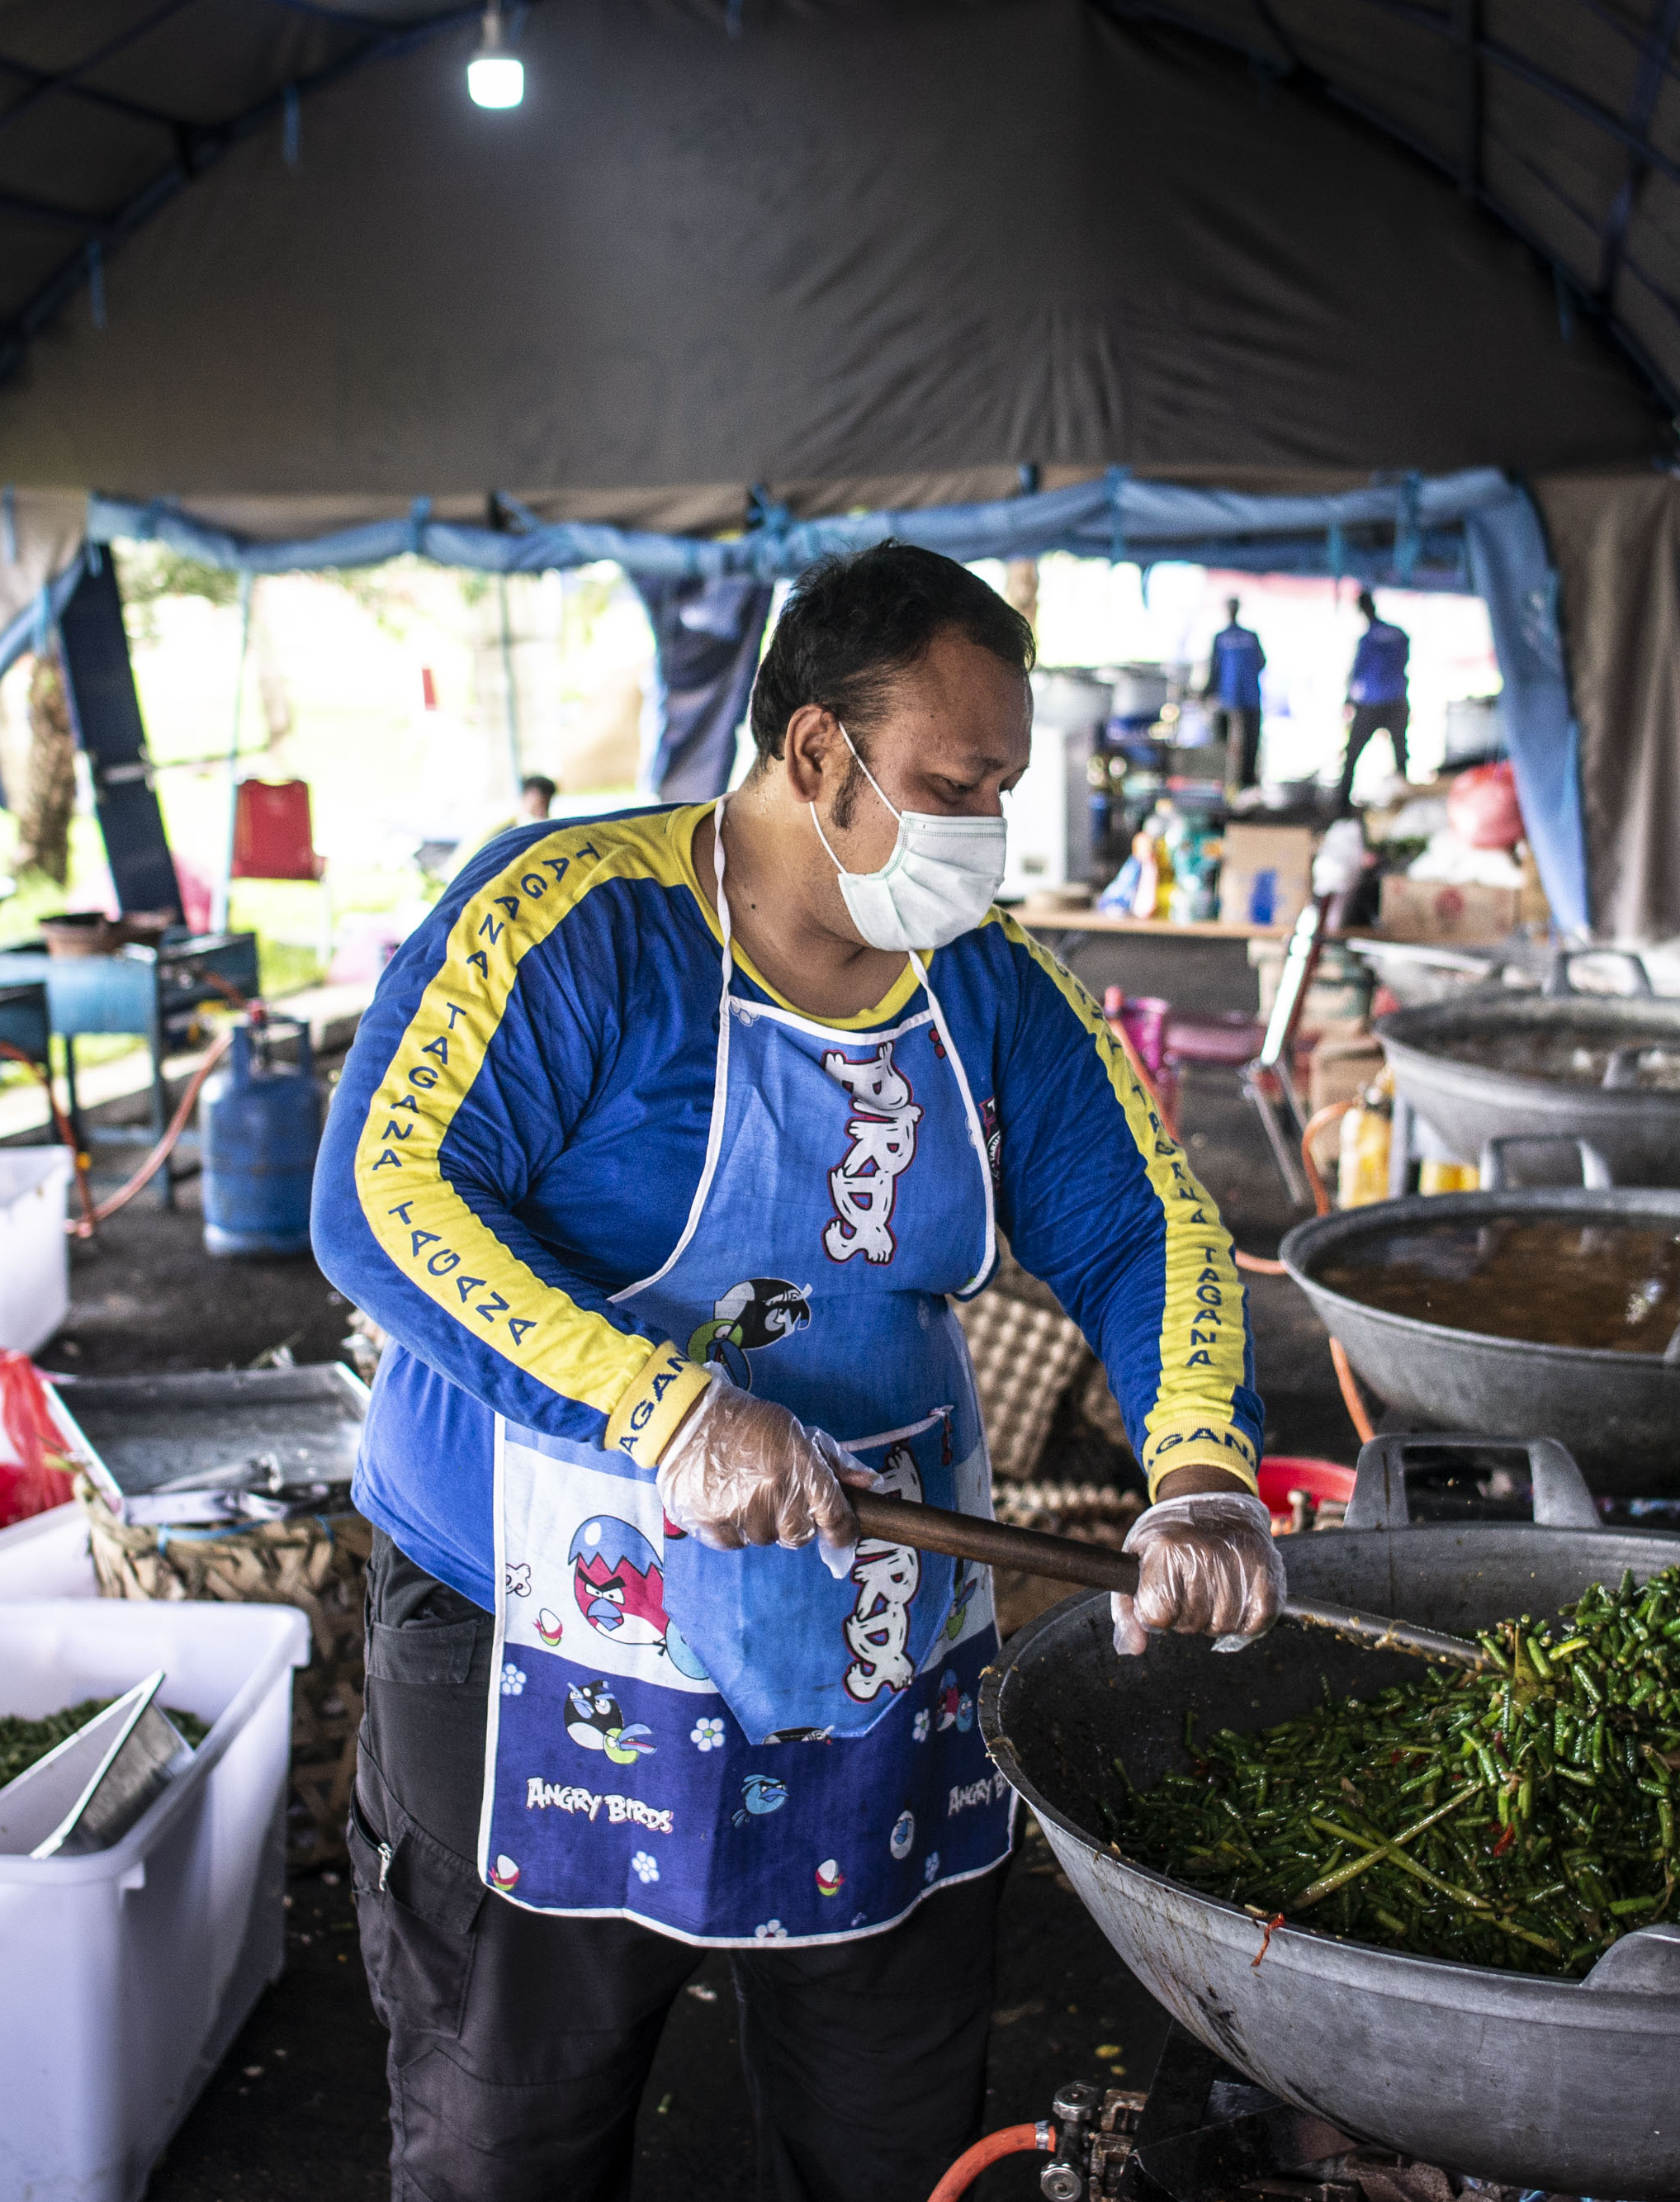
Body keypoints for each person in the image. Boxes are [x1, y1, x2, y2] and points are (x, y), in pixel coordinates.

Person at [313, 542, 1278, 2202]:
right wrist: (669, 1408)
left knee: (885, 2131)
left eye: (1000, 790)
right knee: (509, 2129)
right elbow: (382, 1196)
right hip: (537, 1620)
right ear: (818, 751)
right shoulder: (574, 922)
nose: (983, 830)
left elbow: (1151, 1229)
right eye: (951, 786)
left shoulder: (990, 988)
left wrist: (1199, 1469)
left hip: (875, 1631)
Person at [1332, 588, 1413, 812]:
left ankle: (1342, 806)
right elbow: (1405, 660)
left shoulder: (1368, 639)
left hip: (1372, 704)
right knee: (1400, 754)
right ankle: (1404, 803)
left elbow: (1358, 673)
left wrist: (1349, 701)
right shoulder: (1398, 634)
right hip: (1397, 701)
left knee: (1352, 755)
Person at [1206, 596, 1265, 796]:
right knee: (1247, 744)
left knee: (1231, 745)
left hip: (1231, 699)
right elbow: (1262, 662)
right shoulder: (1250, 636)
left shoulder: (1222, 638)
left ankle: (1235, 785)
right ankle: (1244, 784)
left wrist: (1211, 692)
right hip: (1248, 697)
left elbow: (1214, 669)